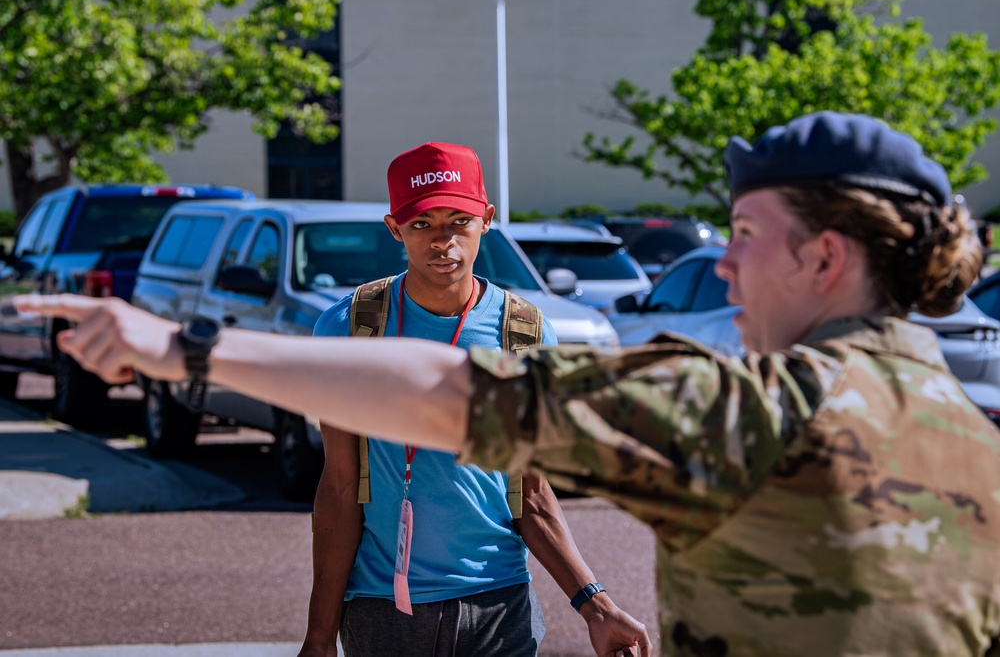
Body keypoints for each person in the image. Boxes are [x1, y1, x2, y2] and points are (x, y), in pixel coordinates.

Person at [20, 111, 1000, 656]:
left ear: (825, 258)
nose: (728, 267)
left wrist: (184, 351)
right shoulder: (976, 438)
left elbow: (453, 396)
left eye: (743, 237)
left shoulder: (753, 409)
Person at [298, 141, 649, 657]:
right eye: (422, 224)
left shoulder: (524, 335)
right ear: (395, 228)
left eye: (458, 221)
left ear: (486, 219)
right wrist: (318, 637)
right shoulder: (350, 328)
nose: (443, 242)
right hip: (383, 611)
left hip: (500, 607)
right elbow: (339, 487)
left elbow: (532, 496)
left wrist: (596, 605)